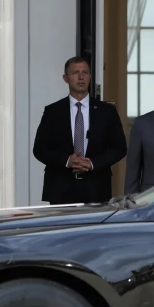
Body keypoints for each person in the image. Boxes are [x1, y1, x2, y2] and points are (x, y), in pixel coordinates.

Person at [33, 57, 127, 204]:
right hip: (60, 188)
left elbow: (119, 148)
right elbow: (39, 149)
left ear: (90, 77)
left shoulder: (107, 111)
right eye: (75, 73)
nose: (81, 77)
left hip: (96, 187)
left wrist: (92, 163)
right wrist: (67, 161)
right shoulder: (53, 111)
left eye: (85, 72)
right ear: (66, 78)